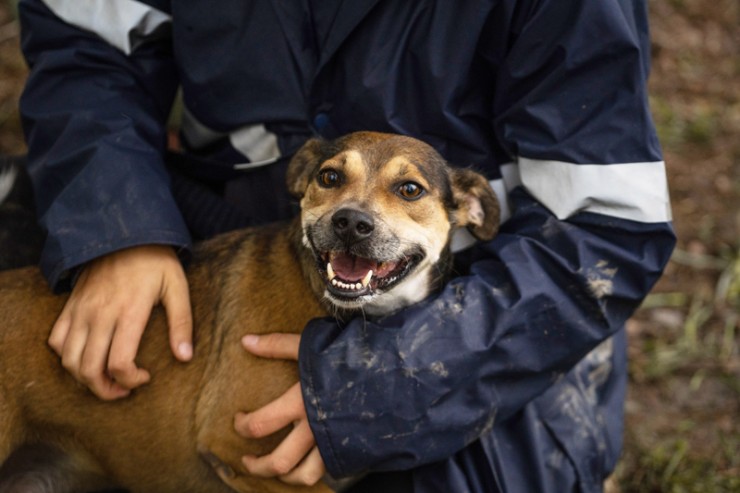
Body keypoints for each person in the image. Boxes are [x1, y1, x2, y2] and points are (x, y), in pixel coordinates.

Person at [12, 0, 676, 491]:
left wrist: (391, 384)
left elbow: (607, 228)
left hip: (490, 305)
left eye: (406, 191)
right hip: (216, 217)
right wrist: (117, 229)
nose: (361, 213)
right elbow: (87, 43)